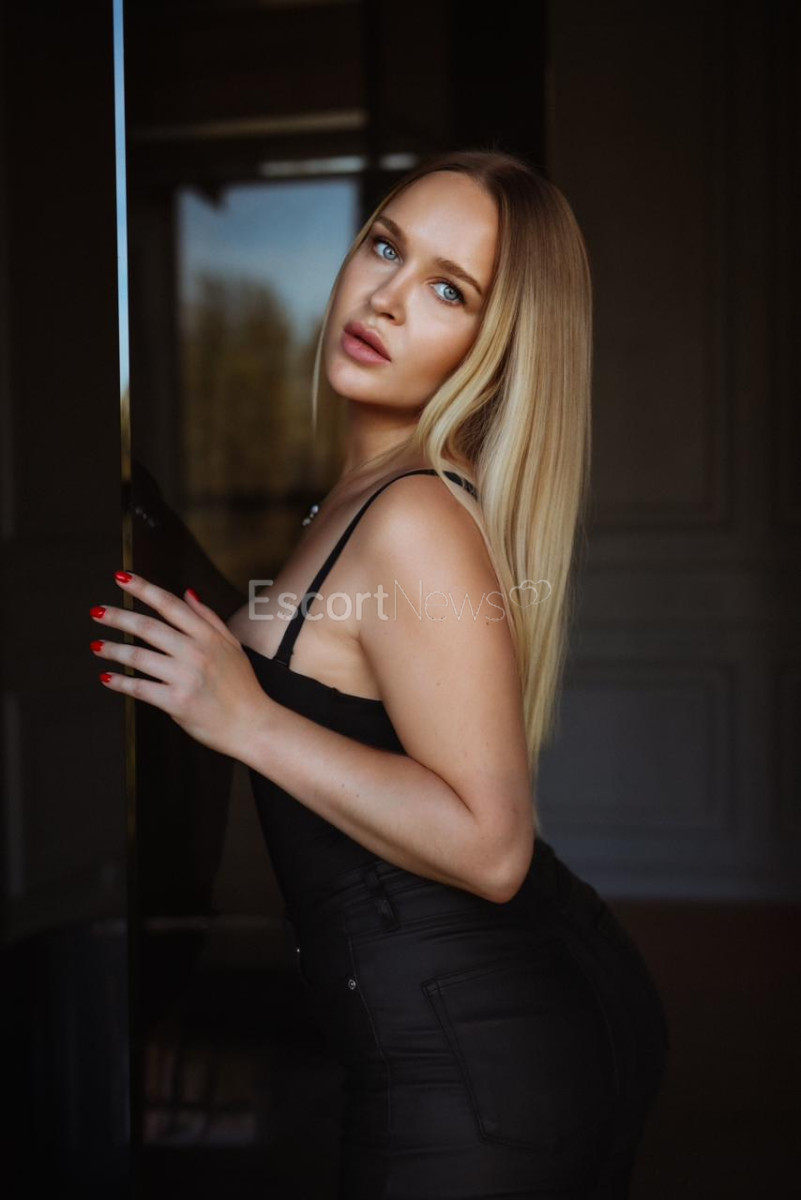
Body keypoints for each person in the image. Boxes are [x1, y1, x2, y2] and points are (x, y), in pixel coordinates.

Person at [90, 149, 669, 1197]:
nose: (388, 297)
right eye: (385, 247)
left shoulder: (415, 517)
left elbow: (493, 847)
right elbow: (310, 657)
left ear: (496, 350)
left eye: (451, 290)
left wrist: (247, 721)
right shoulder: (365, 497)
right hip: (496, 1014)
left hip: (479, 1058)